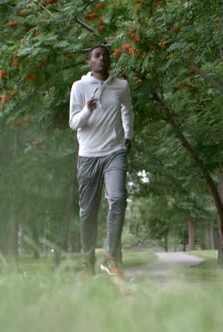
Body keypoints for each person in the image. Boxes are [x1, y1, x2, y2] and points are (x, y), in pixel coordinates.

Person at [69, 45, 134, 277]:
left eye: (105, 55)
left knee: (117, 198)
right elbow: (74, 122)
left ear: (109, 61)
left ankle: (110, 254)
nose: (102, 58)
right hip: (88, 155)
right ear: (90, 63)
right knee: (88, 211)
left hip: (115, 151)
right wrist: (88, 110)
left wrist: (128, 136)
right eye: (97, 55)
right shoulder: (79, 87)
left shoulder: (121, 86)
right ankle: (87, 258)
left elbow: (127, 111)